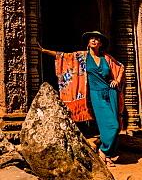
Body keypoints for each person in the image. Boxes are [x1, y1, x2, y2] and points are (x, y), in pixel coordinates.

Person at [36, 31, 125, 164]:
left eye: (97, 39)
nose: (94, 41)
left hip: (110, 92)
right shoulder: (82, 56)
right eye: (92, 39)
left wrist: (117, 80)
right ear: (88, 43)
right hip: (95, 94)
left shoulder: (106, 57)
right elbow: (63, 57)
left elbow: (121, 67)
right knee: (110, 125)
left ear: (100, 44)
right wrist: (43, 50)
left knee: (116, 126)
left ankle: (108, 154)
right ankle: (103, 150)